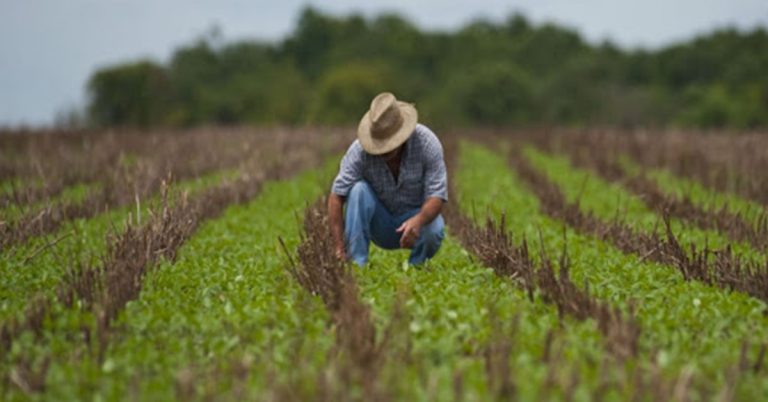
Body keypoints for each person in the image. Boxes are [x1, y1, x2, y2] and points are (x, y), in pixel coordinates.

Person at [328, 92, 448, 266]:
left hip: (415, 220)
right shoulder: (359, 152)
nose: (384, 151)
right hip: (380, 222)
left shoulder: (427, 143)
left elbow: (437, 195)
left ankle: (417, 268)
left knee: (435, 228)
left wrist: (418, 220)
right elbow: (336, 196)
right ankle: (356, 265)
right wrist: (338, 247)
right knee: (358, 190)